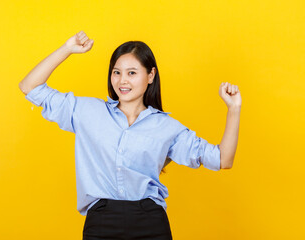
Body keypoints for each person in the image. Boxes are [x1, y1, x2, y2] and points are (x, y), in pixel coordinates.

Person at [19, 30, 241, 240]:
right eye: (117, 72)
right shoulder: (87, 111)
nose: (122, 81)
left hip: (150, 222)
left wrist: (234, 109)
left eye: (132, 73)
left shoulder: (166, 127)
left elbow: (222, 159)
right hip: (101, 221)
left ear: (150, 75)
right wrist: (67, 48)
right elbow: (30, 86)